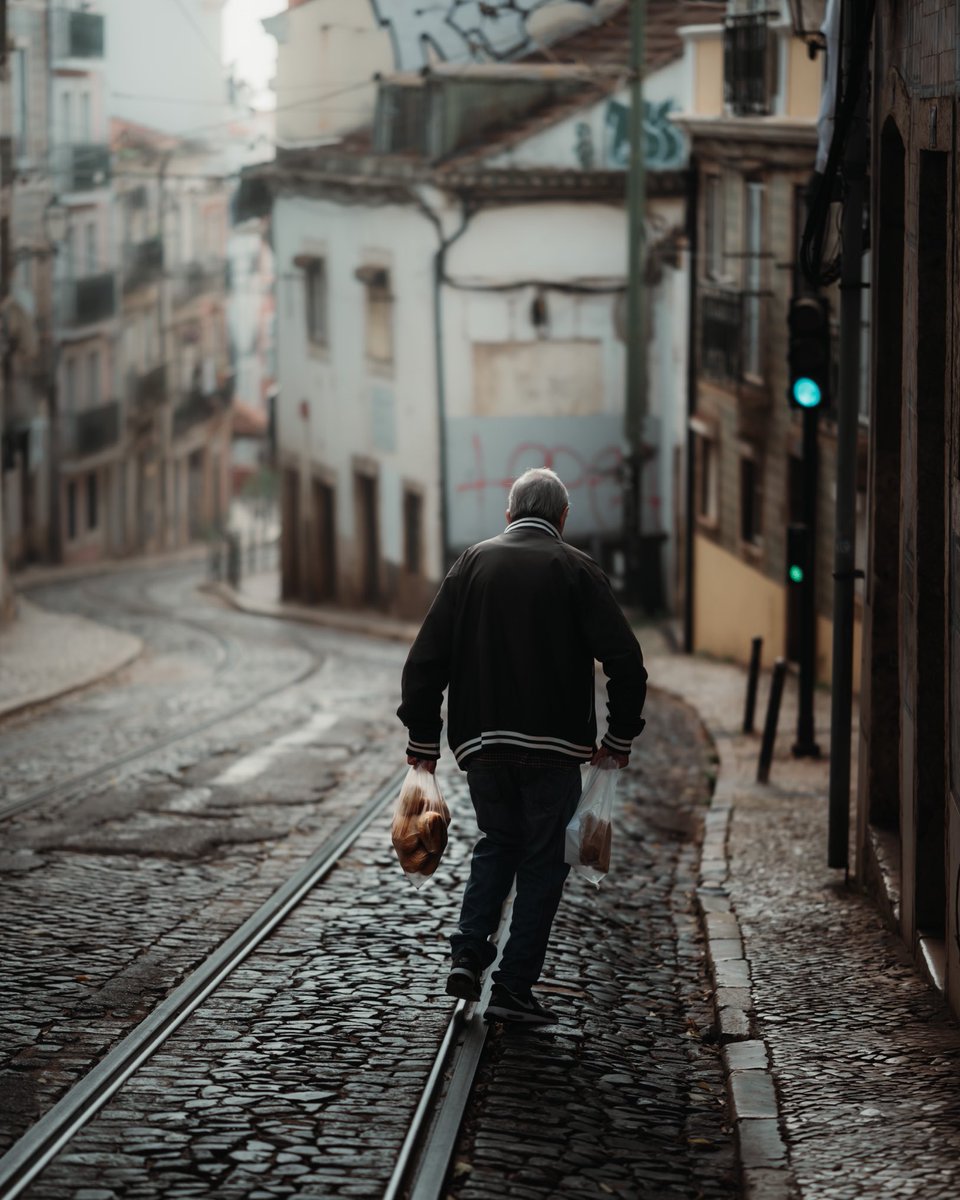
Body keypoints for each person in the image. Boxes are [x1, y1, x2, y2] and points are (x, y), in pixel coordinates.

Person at [397, 467, 647, 1025]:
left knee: (497, 842)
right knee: (542, 861)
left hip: (482, 746)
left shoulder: (471, 563)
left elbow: (425, 659)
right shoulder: (578, 569)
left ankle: (468, 954)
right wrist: (619, 736)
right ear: (563, 517)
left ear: (509, 514)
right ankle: (513, 987)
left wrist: (423, 739)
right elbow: (626, 661)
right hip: (554, 749)